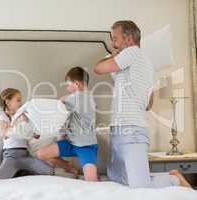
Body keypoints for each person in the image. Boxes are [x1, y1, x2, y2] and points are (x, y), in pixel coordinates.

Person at [94, 20, 191, 188]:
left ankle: (175, 179)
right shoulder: (144, 64)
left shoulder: (132, 52)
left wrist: (114, 54)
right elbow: (148, 104)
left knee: (139, 187)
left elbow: (99, 68)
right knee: (119, 182)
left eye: (115, 39)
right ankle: (171, 178)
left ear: (129, 39)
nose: (113, 44)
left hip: (132, 132)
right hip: (120, 130)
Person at [36, 67, 99, 181]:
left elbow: (58, 102)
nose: (67, 88)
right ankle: (68, 167)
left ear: (76, 83)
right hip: (71, 143)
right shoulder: (82, 97)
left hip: (86, 146)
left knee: (92, 180)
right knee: (41, 154)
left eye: (68, 84)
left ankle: (90, 172)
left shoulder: (80, 97)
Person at [0, 88, 55, 179]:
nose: (21, 103)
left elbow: (32, 134)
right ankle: (19, 172)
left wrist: (34, 133)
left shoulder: (23, 116)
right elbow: (4, 133)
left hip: (25, 154)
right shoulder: (3, 116)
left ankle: (21, 173)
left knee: (50, 171)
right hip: (11, 155)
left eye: (21, 100)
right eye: (18, 100)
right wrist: (21, 123)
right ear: (8, 102)